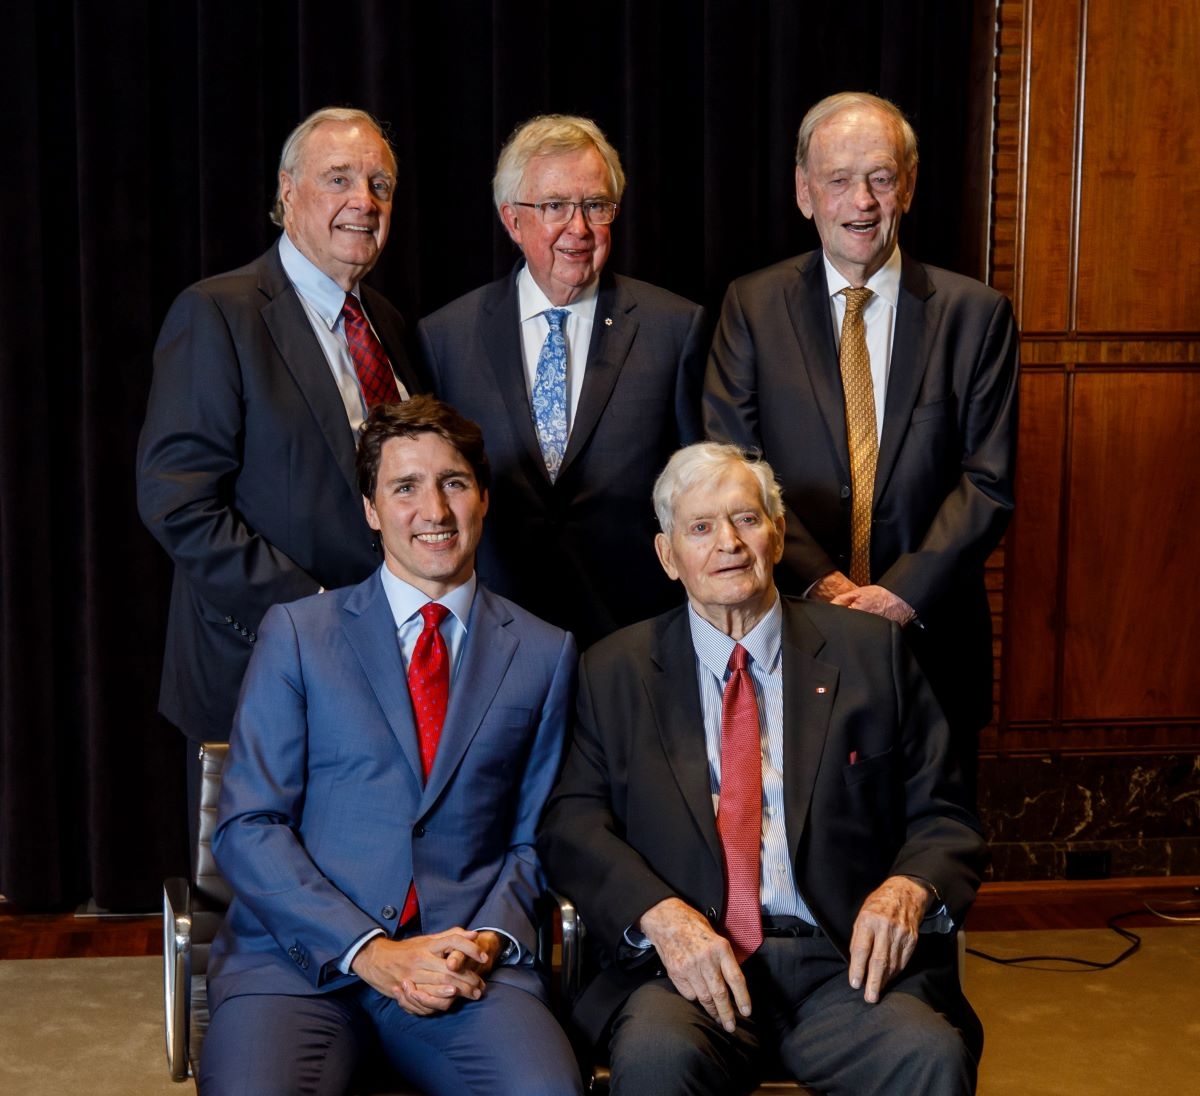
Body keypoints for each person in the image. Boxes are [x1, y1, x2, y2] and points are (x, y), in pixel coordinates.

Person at [539, 442, 987, 1096]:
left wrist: (908, 888)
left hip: (846, 964)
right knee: (657, 1059)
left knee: (929, 1056)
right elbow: (571, 824)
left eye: (746, 519)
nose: (728, 543)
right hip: (689, 971)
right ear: (668, 556)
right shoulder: (614, 670)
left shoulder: (872, 653)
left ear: (777, 536)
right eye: (700, 527)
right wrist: (660, 915)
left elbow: (944, 816)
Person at [198, 396, 582, 1096]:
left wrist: (486, 940)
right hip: (296, 964)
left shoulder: (545, 653)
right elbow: (250, 825)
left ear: (483, 498)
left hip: (461, 964)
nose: (433, 510)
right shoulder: (299, 633)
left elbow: (535, 839)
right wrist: (369, 952)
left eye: (453, 483)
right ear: (372, 510)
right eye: (405, 487)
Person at [704, 92, 1018, 798]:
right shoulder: (751, 307)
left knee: (935, 841)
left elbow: (988, 482)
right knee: (807, 837)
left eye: (880, 177)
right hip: (789, 627)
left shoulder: (976, 316)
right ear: (803, 191)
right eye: (839, 179)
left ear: (908, 184)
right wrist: (822, 583)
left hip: (933, 638)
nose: (862, 201)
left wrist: (900, 596)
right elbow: (733, 467)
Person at [136, 107, 423, 839]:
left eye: (380, 184)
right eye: (339, 179)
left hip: (390, 669)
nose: (364, 201)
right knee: (264, 894)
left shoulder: (388, 324)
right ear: (288, 192)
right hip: (262, 665)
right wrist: (319, 617)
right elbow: (179, 503)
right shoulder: (219, 313)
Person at [417, 113, 706, 650]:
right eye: (555, 206)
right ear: (512, 220)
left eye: (595, 205)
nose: (579, 228)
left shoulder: (674, 327)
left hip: (634, 632)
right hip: (494, 634)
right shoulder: (445, 337)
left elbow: (698, 491)